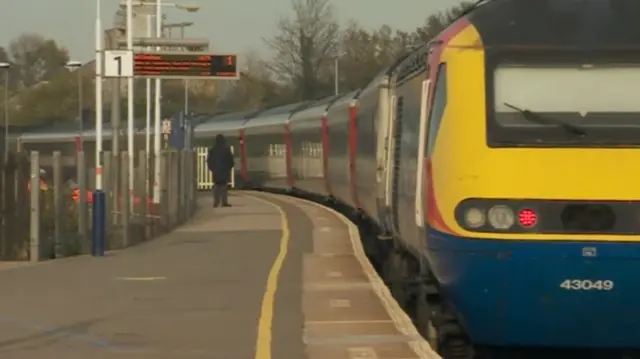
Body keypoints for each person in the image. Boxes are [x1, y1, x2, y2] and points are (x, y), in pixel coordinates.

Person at [207, 134, 234, 207]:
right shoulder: (226, 149)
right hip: (224, 170)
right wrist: (229, 168)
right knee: (224, 186)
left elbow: (209, 161)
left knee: (216, 186)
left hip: (216, 171)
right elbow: (231, 160)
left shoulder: (212, 150)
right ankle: (224, 202)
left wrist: (212, 168)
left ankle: (216, 202)